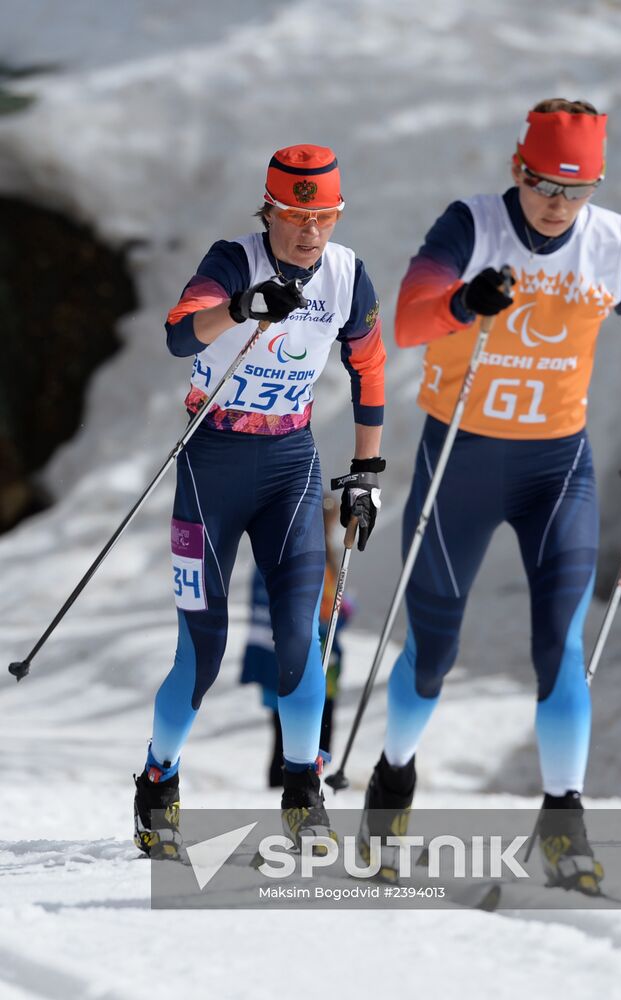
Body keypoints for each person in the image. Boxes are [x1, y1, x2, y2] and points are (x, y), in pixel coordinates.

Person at [358, 99, 621, 894]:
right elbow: (405, 323)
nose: (557, 204)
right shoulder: (470, 227)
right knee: (433, 651)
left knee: (561, 651)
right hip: (459, 460)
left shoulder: (613, 245)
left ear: (595, 188)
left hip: (554, 470)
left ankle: (564, 825)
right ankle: (390, 789)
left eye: (575, 191)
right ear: (517, 169)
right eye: (542, 185)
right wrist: (465, 303)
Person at [133, 144, 386, 858]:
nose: (311, 232)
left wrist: (366, 468)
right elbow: (181, 333)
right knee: (201, 651)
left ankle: (304, 789)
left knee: (301, 636)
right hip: (211, 464)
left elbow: (368, 368)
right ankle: (159, 778)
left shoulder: (346, 274)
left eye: (324, 217)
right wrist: (240, 308)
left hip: (290, 467)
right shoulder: (232, 259)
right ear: (270, 210)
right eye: (296, 215)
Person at [240, 495, 354, 787]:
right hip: (291, 659)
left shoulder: (321, 554)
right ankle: (291, 789)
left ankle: (306, 786)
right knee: (292, 734)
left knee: (306, 732)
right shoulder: (298, 556)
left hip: (311, 659)